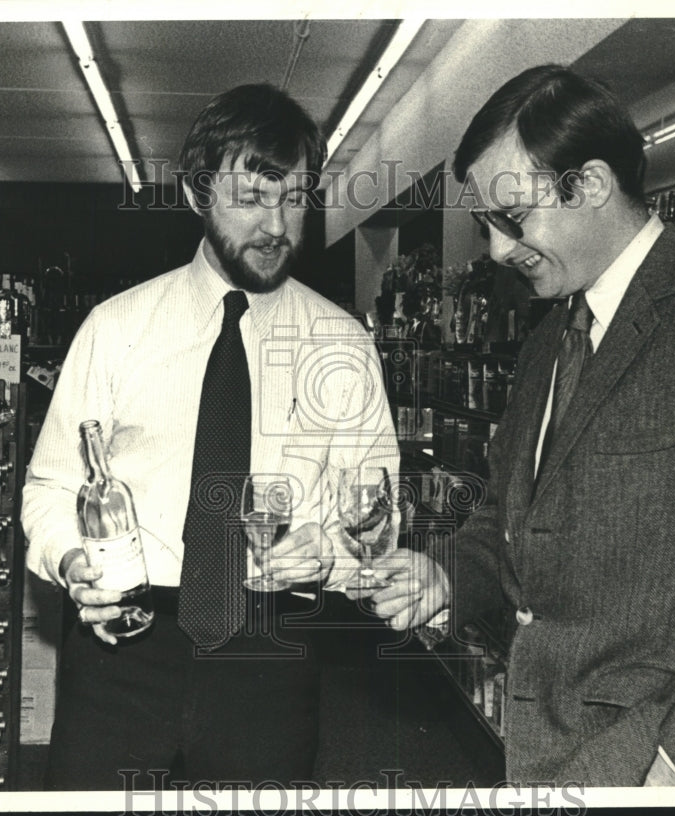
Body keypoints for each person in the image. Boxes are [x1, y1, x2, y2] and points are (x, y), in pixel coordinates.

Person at [362, 65, 675, 787]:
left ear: (593, 184)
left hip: (655, 765)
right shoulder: (549, 338)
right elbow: (509, 523)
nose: (494, 250)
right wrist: (445, 576)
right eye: (485, 224)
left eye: (511, 218)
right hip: (543, 755)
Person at [22, 83, 397, 789]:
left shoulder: (343, 346)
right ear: (198, 193)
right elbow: (49, 489)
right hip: (122, 649)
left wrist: (338, 553)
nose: (278, 224)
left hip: (271, 655)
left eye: (295, 199)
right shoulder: (116, 328)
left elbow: (377, 517)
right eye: (254, 197)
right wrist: (71, 562)